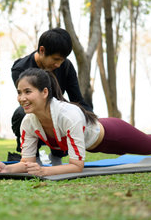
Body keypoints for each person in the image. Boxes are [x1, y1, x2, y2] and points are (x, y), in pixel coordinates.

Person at [0, 68, 151, 176]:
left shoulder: (67, 115)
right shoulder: (29, 122)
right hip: (95, 143)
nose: (22, 98)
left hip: (112, 134)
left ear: (45, 92)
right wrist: (6, 168)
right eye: (19, 92)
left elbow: (76, 166)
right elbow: (27, 162)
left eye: (28, 92)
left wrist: (45, 170)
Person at [10, 28, 93, 165]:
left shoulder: (66, 66)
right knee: (21, 113)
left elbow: (77, 100)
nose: (58, 65)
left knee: (71, 113)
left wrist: (92, 120)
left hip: (60, 115)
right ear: (42, 50)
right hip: (37, 114)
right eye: (55, 59)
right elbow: (28, 102)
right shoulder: (20, 68)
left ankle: (56, 157)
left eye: (62, 60)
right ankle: (33, 158)